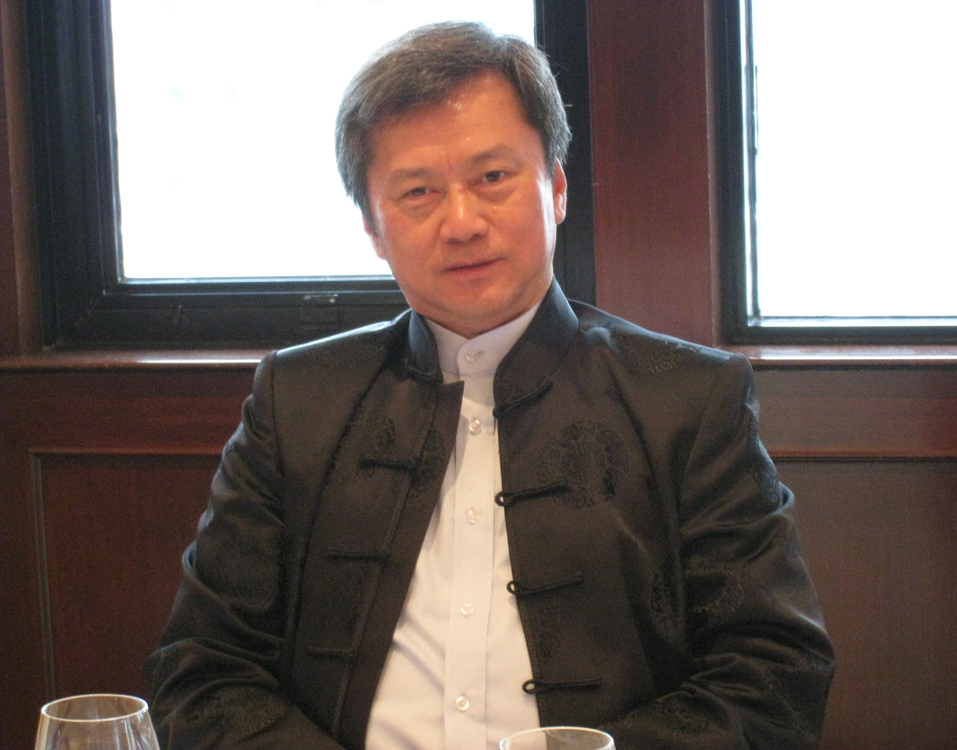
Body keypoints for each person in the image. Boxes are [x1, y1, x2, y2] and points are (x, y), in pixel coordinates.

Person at [144, 21, 834, 750]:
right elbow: (203, 669)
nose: (462, 222)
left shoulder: (687, 400)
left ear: (556, 187)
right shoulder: (298, 401)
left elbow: (774, 675)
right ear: (373, 229)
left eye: (493, 177)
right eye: (417, 191)